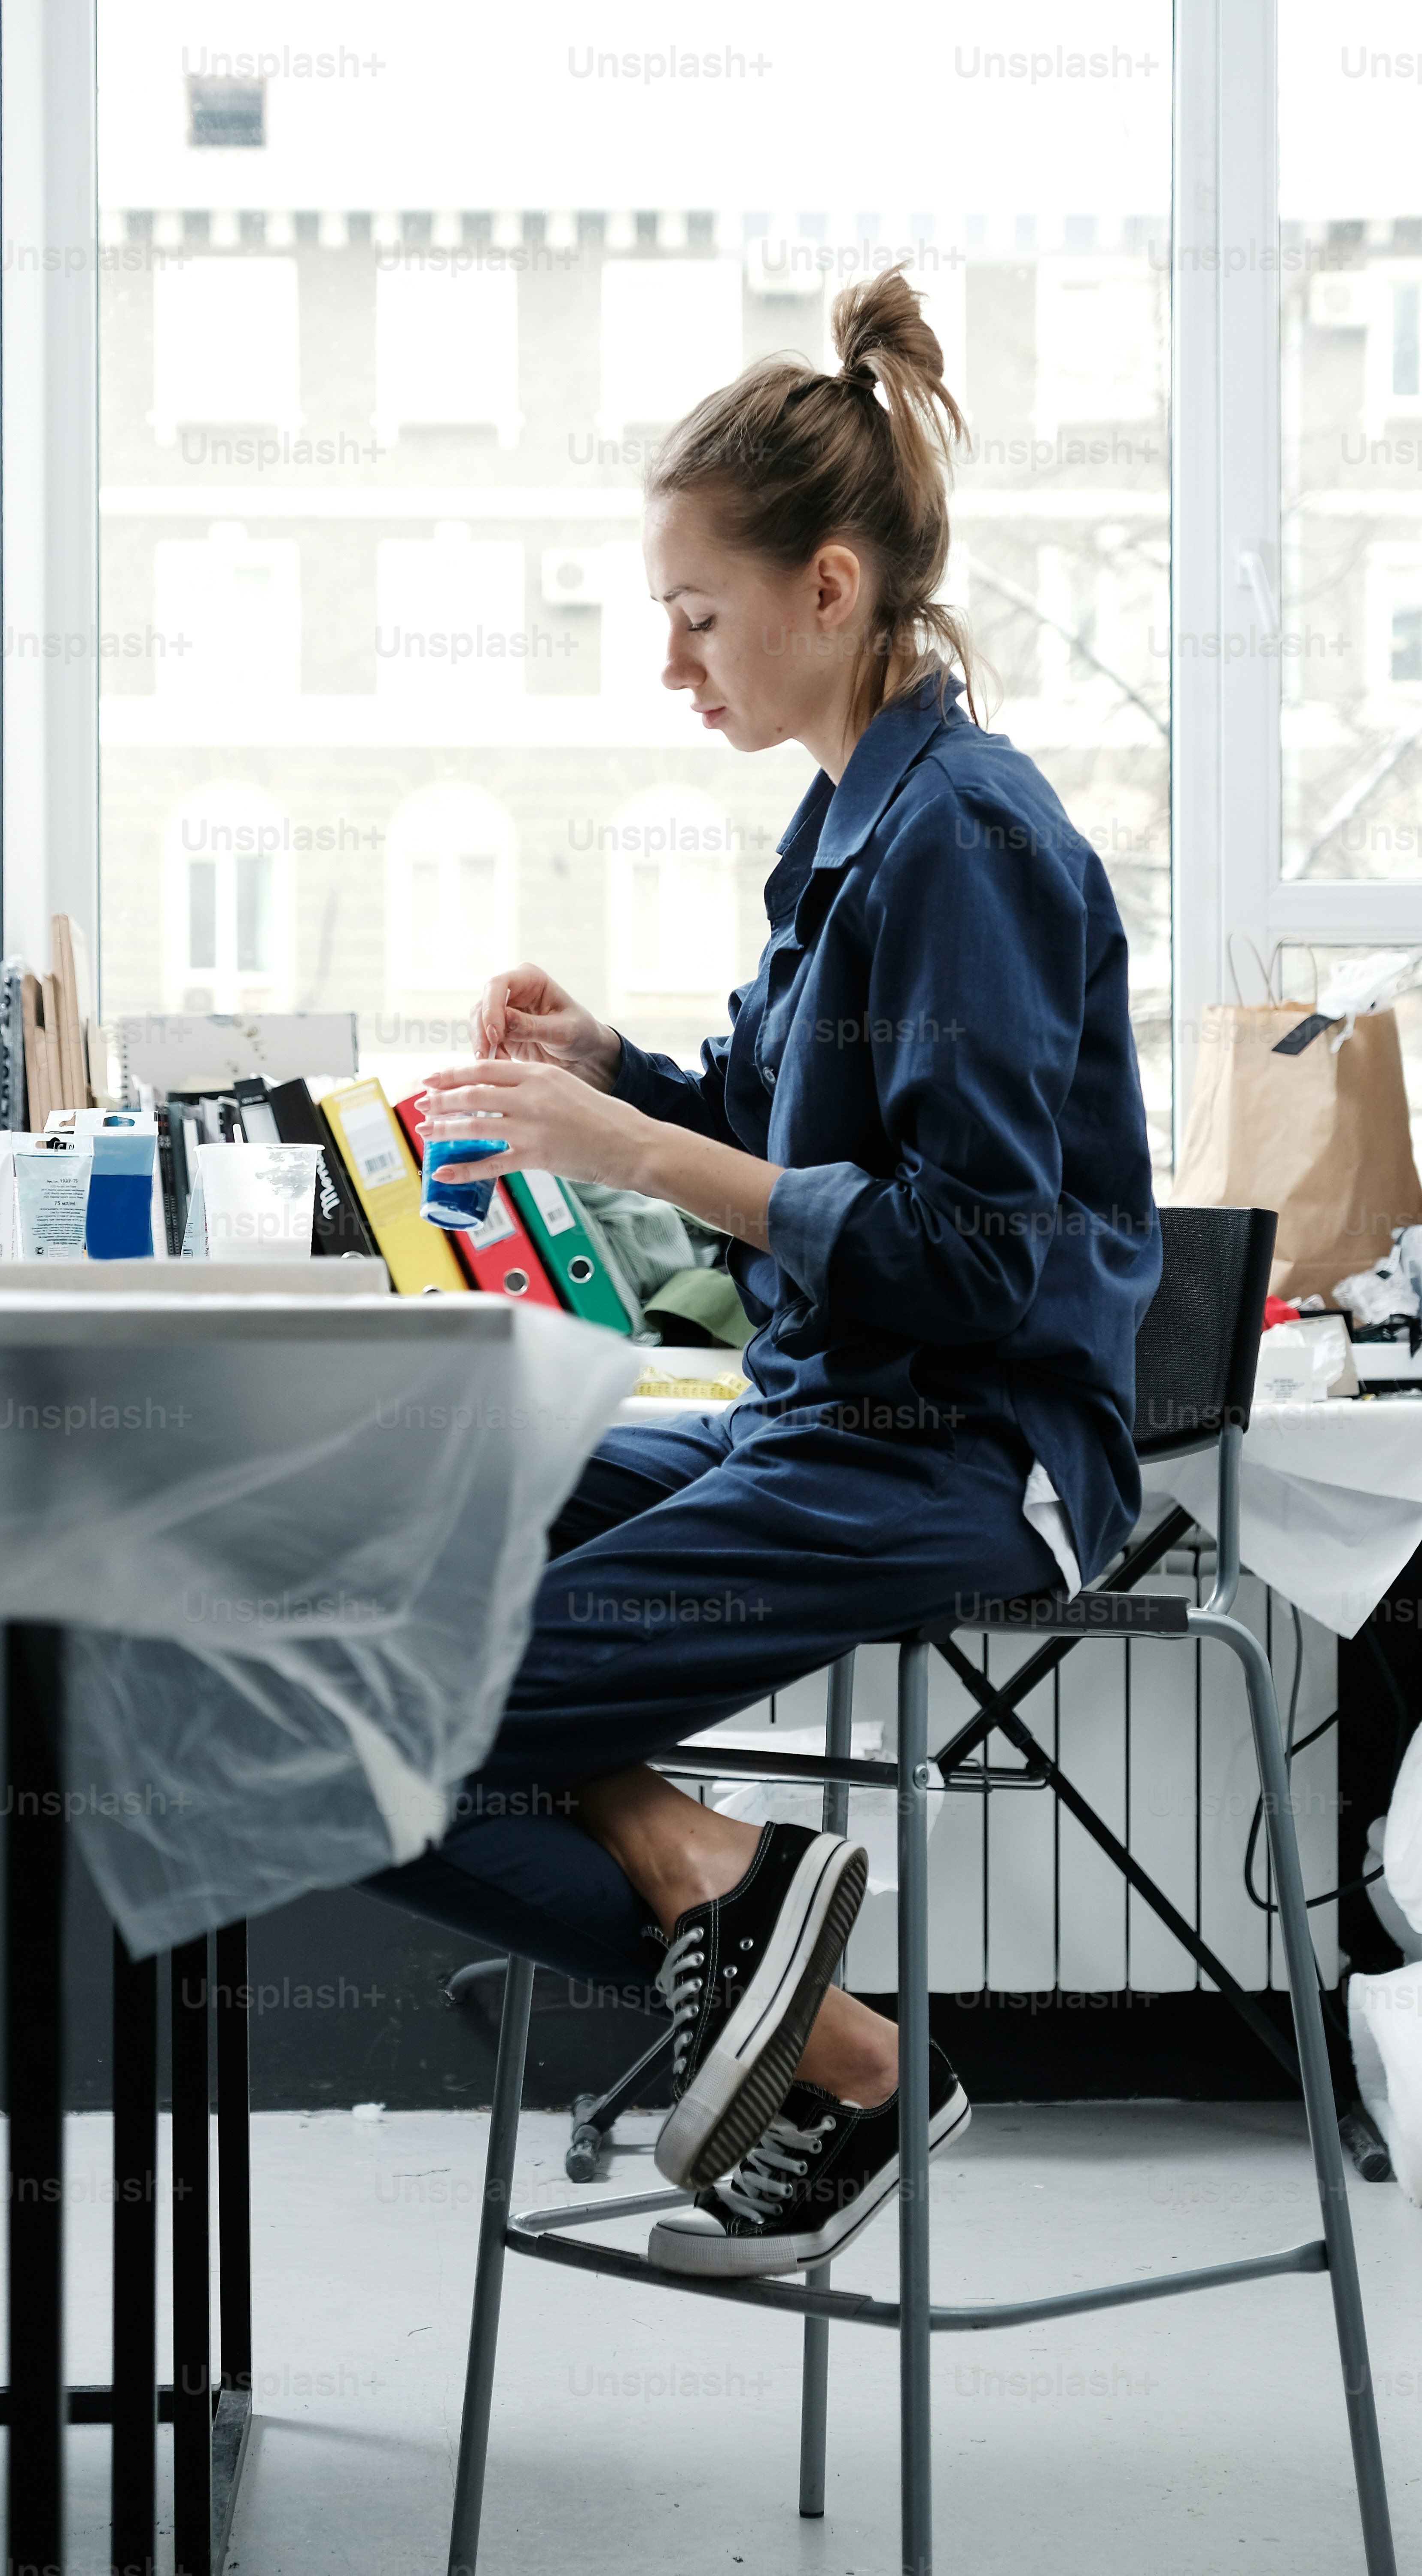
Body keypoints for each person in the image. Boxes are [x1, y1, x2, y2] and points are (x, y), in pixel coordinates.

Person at [364, 265, 1160, 2278]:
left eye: (692, 618)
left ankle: (815, 2019)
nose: (669, 667)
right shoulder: (849, 824)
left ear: (826, 589)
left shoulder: (963, 835)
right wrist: (615, 1067)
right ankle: (771, 1948)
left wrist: (634, 1155)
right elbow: (798, 1118)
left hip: (955, 1452)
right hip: (822, 1422)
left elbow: (973, 1258)